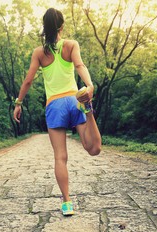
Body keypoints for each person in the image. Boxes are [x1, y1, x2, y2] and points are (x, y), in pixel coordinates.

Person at [13, 8, 102, 216]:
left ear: (44, 27)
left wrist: (18, 103)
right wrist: (89, 86)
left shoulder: (39, 53)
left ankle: (67, 203)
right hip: (74, 100)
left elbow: (28, 80)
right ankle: (88, 110)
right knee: (93, 148)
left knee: (60, 157)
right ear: (62, 26)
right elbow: (79, 65)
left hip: (54, 105)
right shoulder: (71, 45)